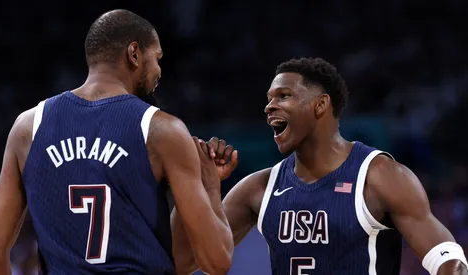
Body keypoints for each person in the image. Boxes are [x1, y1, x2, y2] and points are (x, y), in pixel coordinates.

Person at [0, 9, 233, 275]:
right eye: (157, 58)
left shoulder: (28, 127)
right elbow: (216, 261)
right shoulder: (162, 130)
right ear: (134, 54)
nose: (159, 71)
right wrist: (210, 187)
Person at [173, 57, 468, 275]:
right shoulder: (259, 188)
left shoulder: (379, 176)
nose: (269, 106)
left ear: (320, 105)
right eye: (268, 99)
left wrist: (451, 265)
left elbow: (447, 258)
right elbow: (184, 261)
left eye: (283, 96)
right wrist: (195, 181)